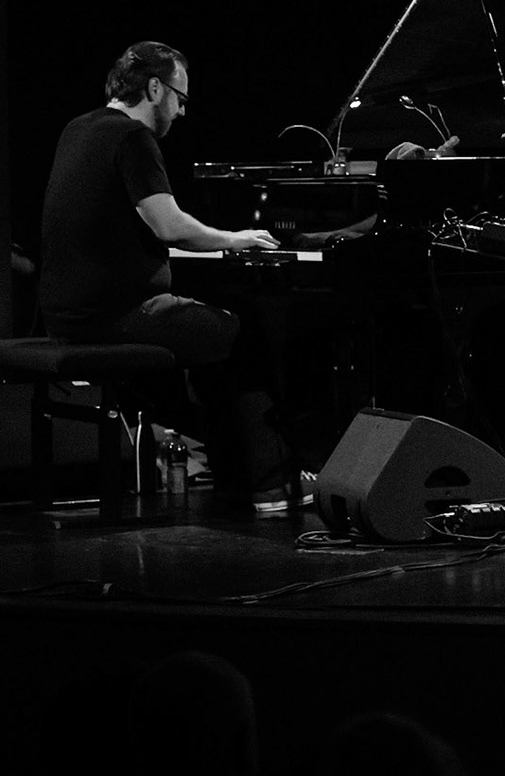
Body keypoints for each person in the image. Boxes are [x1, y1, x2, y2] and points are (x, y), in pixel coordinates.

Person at [37, 41, 305, 513]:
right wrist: (237, 238)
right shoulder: (133, 137)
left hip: (65, 317)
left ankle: (232, 476)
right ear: (155, 89)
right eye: (180, 98)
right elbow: (170, 227)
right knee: (244, 333)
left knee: (210, 335)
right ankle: (269, 484)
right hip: (118, 317)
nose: (182, 111)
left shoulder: (78, 128)